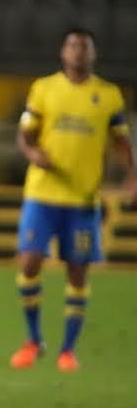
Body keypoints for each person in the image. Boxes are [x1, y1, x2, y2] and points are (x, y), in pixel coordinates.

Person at [9, 28, 136, 373]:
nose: (78, 51)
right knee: (30, 262)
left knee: (77, 270)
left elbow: (122, 142)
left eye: (84, 46)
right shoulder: (44, 88)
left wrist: (132, 176)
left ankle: (68, 350)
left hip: (82, 200)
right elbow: (24, 133)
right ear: (63, 53)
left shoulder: (108, 95)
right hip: (42, 193)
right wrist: (31, 152)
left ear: (93, 54)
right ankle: (34, 340)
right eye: (72, 45)